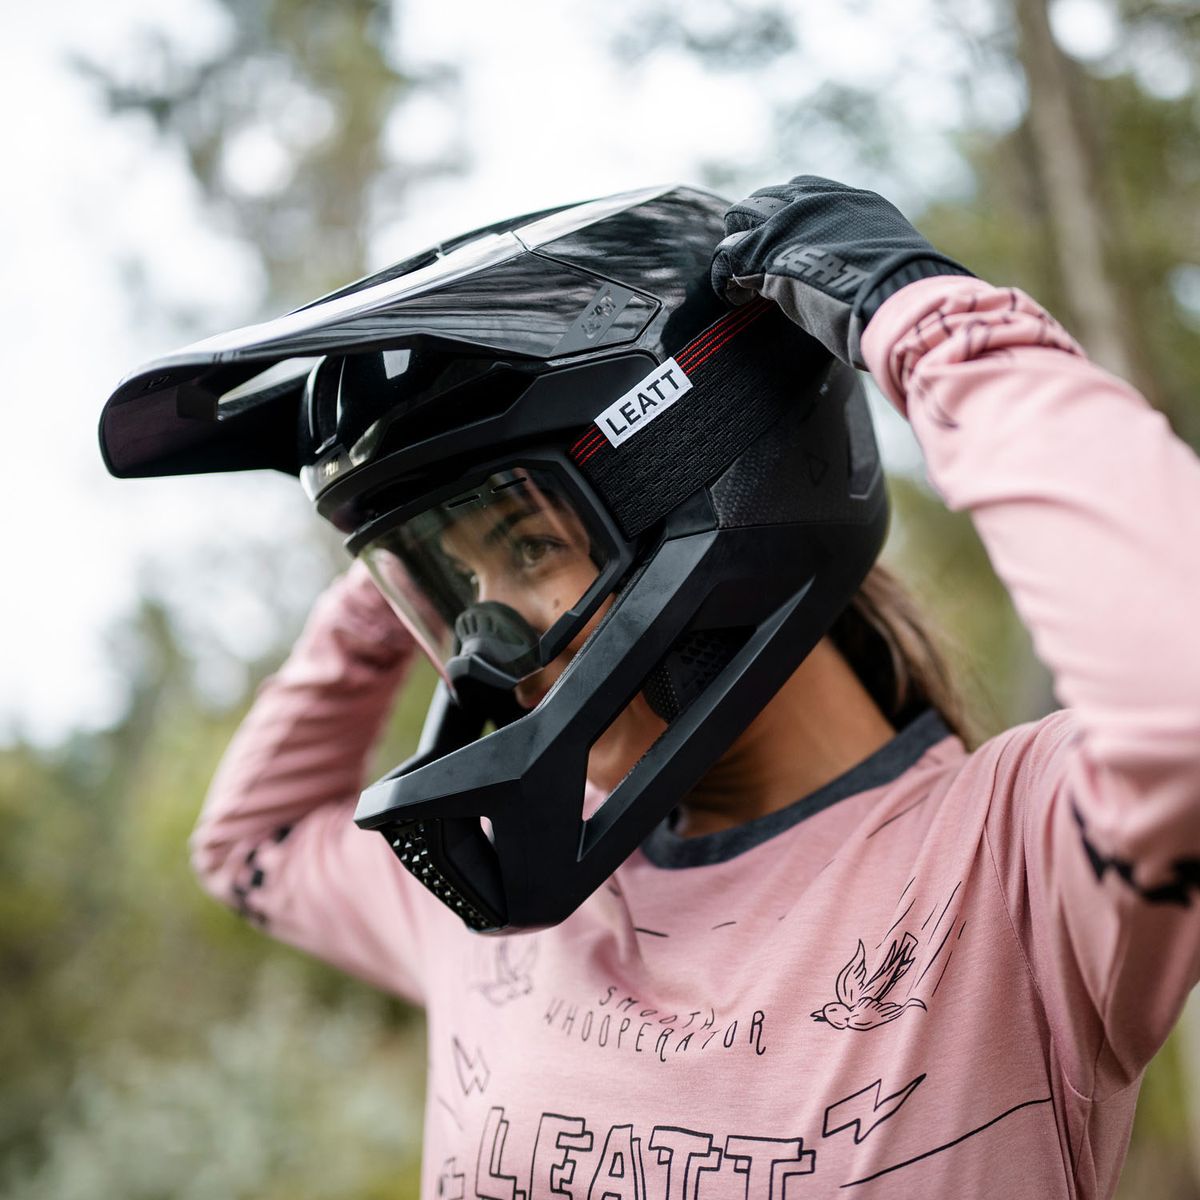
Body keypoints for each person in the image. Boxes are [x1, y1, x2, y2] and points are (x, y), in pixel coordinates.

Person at [99, 177, 1200, 1198]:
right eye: (460, 590)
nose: (484, 647)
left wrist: (930, 321)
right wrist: (407, 553)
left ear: (727, 501)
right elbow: (252, 842)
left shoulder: (1019, 868)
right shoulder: (507, 881)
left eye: (530, 548)